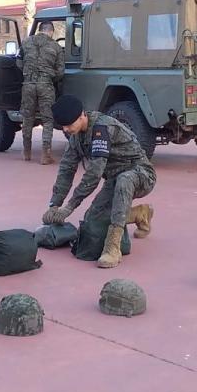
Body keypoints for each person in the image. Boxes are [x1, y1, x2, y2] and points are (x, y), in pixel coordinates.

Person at [43, 95, 155, 269]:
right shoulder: (76, 137)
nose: (66, 129)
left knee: (125, 180)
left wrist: (70, 206)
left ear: (82, 116)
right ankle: (139, 214)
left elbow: (94, 174)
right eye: (63, 126)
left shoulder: (102, 128)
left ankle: (113, 247)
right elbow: (66, 169)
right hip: (114, 180)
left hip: (140, 174)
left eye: (69, 124)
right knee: (92, 224)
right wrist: (54, 205)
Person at [19, 21, 64, 164]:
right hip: (46, 85)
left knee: (27, 117)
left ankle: (27, 153)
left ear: (39, 30)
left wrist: (28, 73)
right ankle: (46, 155)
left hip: (28, 84)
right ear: (51, 32)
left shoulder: (26, 43)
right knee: (47, 119)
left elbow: (18, 62)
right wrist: (51, 77)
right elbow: (60, 72)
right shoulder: (56, 47)